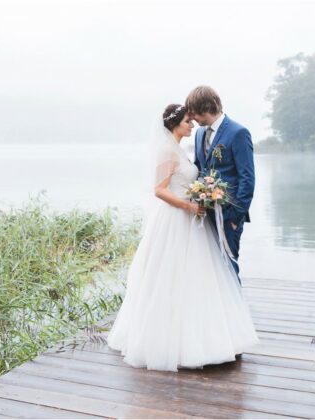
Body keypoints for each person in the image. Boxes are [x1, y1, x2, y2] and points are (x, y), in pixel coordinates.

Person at [106, 103, 259, 372]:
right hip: (177, 220)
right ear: (175, 124)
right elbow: (159, 190)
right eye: (188, 121)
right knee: (172, 276)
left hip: (193, 220)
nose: (192, 125)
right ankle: (170, 342)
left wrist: (205, 193)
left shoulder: (180, 149)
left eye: (192, 121)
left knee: (197, 277)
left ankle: (206, 336)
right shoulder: (167, 150)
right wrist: (189, 205)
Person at [186, 86, 255, 282]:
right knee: (210, 269)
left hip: (228, 214)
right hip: (205, 214)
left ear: (205, 108)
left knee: (228, 267)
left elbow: (247, 178)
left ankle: (236, 311)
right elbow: (200, 168)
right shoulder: (200, 134)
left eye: (194, 113)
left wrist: (235, 217)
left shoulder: (238, 132)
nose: (192, 119)